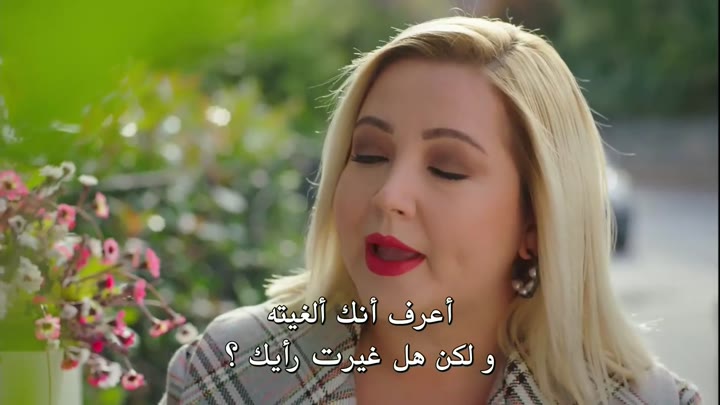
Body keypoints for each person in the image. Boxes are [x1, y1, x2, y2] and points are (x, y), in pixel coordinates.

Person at [160, 16, 703, 404]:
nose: (389, 196)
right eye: (369, 154)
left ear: (536, 221)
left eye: (447, 168)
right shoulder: (229, 372)